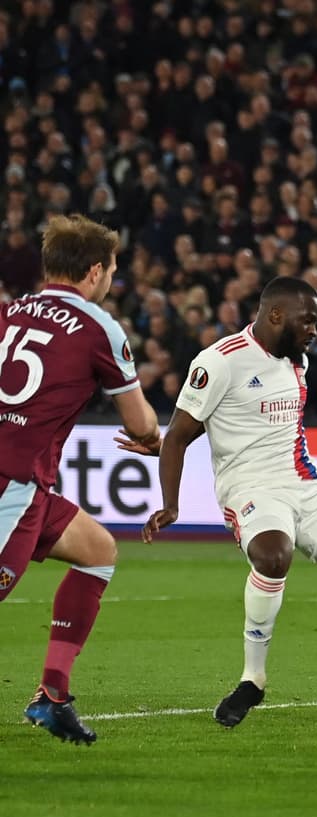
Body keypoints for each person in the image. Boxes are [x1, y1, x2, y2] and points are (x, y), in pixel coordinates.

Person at [138, 276, 317, 731]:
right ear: (275, 314)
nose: (314, 331)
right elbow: (180, 434)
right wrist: (171, 504)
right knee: (274, 556)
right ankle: (252, 679)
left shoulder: (296, 361)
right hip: (250, 487)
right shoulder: (218, 362)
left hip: (304, 480)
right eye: (308, 320)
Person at [0, 214, 162, 744]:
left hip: (30, 485)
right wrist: (155, 442)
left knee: (98, 551)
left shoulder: (10, 312)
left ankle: (52, 695)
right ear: (95, 270)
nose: (111, 278)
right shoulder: (99, 327)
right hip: (13, 486)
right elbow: (139, 424)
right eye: (112, 269)